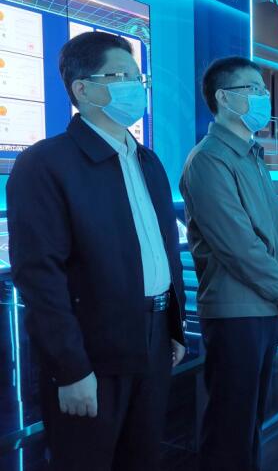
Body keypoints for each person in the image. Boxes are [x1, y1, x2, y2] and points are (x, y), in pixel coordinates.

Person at [7, 31, 186, 471]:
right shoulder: (45, 163)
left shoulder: (147, 161)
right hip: (93, 348)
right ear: (82, 90)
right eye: (120, 76)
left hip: (154, 337)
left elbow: (162, 249)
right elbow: (40, 276)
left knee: (143, 456)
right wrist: (70, 367)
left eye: (138, 77)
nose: (135, 87)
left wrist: (174, 327)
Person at [180, 56, 278, 471]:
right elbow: (237, 245)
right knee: (229, 423)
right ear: (223, 98)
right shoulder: (208, 159)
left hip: (264, 306)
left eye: (263, 89)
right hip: (235, 311)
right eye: (253, 89)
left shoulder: (251, 154)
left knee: (250, 417)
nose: (263, 97)